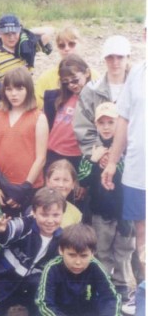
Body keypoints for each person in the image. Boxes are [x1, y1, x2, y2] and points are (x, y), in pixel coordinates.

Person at [77, 102, 136, 302]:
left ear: (120, 123)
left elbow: (133, 177)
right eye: (101, 123)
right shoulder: (93, 151)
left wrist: (114, 161)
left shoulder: (128, 150)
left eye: (111, 122)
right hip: (100, 213)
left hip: (124, 212)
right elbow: (82, 179)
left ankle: (123, 287)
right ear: (96, 125)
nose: (106, 127)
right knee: (101, 252)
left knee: (124, 251)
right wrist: (94, 161)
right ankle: (102, 286)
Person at [102, 53, 145, 316]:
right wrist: (112, 162)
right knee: (143, 236)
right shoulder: (137, 73)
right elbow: (124, 120)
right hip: (137, 170)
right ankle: (144, 298)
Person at [0, 187, 66, 315]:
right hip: (3, 281)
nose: (50, 221)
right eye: (44, 215)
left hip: (30, 290)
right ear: (34, 212)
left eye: (56, 215)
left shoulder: (62, 239)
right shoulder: (26, 225)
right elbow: (12, 228)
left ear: (63, 214)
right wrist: (3, 230)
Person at [0, 67, 48, 215]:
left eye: (19, 89)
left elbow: (41, 158)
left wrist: (24, 189)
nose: (13, 94)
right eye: (9, 89)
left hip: (27, 187)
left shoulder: (38, 117)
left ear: (28, 89)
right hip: (1, 185)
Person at [35, 223, 121, 316]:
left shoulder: (96, 267)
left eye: (84, 256)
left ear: (92, 253)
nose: (78, 262)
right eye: (72, 255)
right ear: (61, 250)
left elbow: (111, 298)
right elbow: (44, 303)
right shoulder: (52, 269)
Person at [74, 34, 131, 156]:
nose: (115, 62)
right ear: (104, 58)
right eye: (110, 57)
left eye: (120, 57)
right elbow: (83, 128)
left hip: (133, 156)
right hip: (99, 157)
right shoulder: (91, 90)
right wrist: (100, 153)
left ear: (128, 58)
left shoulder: (139, 89)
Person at [44, 54, 91, 171]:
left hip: (76, 156)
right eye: (66, 82)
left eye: (75, 80)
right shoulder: (57, 98)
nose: (71, 85)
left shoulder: (93, 99)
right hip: (53, 152)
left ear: (87, 73)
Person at [34, 26, 97, 110]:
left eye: (71, 44)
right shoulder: (46, 78)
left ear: (82, 44)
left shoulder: (94, 76)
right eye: (62, 45)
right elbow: (37, 107)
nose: (67, 48)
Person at [0, 14, 52, 81]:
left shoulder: (27, 48)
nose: (11, 37)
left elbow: (48, 33)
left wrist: (26, 32)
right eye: (7, 33)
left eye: (14, 33)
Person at [44, 159, 82, 228]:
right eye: (56, 179)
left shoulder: (76, 214)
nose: (61, 185)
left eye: (66, 180)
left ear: (73, 184)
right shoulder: (37, 207)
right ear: (48, 181)